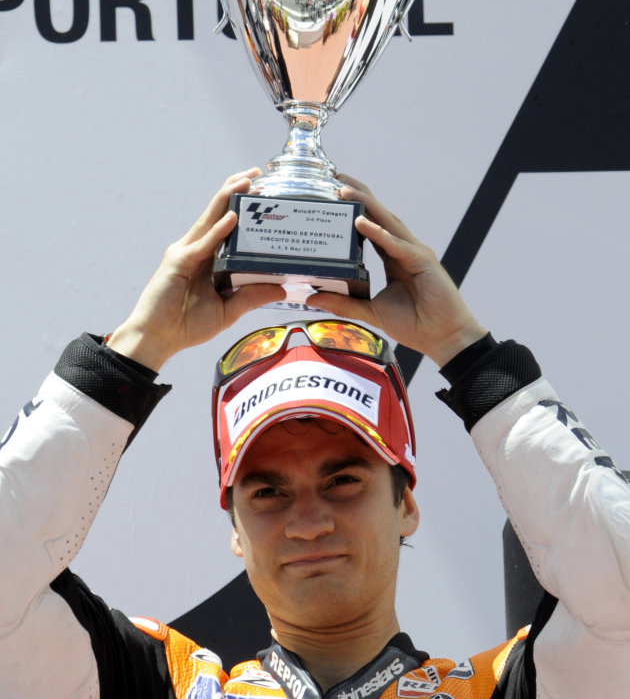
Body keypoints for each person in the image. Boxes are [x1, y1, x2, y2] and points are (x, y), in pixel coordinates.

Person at [1, 168, 629, 699]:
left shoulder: (501, 688)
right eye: (268, 493)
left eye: (344, 480)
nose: (308, 521)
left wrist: (465, 351)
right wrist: (137, 348)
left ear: (406, 503)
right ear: (235, 532)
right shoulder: (159, 684)